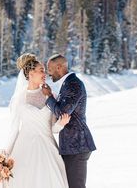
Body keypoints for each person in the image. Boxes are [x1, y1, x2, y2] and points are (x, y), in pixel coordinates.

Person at [4, 53, 70, 188]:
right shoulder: (19, 99)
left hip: (47, 147)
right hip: (24, 148)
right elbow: (14, 129)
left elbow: (53, 128)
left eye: (44, 71)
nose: (44, 73)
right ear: (30, 74)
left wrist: (61, 124)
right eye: (41, 71)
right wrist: (4, 154)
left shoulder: (51, 95)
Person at [42, 54, 96, 188]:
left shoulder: (73, 85)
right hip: (71, 147)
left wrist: (49, 96)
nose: (48, 73)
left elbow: (63, 113)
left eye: (49, 69)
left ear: (59, 67)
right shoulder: (67, 84)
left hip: (77, 146)